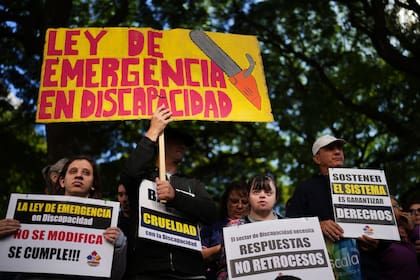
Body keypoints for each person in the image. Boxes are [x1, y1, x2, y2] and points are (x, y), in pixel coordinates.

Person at [120, 106, 218, 280]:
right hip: (146, 271)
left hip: (190, 271)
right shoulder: (142, 178)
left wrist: (176, 197)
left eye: (185, 143)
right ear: (161, 141)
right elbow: (128, 173)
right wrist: (154, 130)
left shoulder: (192, 184)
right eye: (175, 139)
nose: (182, 145)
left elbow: (211, 213)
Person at [0, 155, 127, 280]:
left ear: (93, 184)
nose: (78, 175)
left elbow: (115, 276)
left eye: (86, 172)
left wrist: (119, 246)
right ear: (62, 181)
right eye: (73, 171)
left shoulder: (108, 225)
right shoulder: (28, 214)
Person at [286, 135, 379, 280]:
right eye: (330, 149)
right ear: (317, 159)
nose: (337, 152)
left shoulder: (362, 184)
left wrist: (376, 240)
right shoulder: (305, 188)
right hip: (324, 270)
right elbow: (290, 223)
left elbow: (380, 224)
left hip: (366, 269)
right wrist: (318, 225)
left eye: (340, 148)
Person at [200, 180, 249, 280]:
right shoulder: (211, 227)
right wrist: (222, 248)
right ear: (226, 202)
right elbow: (197, 256)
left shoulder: (256, 226)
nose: (239, 206)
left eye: (244, 202)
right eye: (234, 201)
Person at [377, 196, 420, 279]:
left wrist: (411, 230)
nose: (401, 209)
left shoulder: (407, 236)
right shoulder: (381, 239)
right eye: (396, 206)